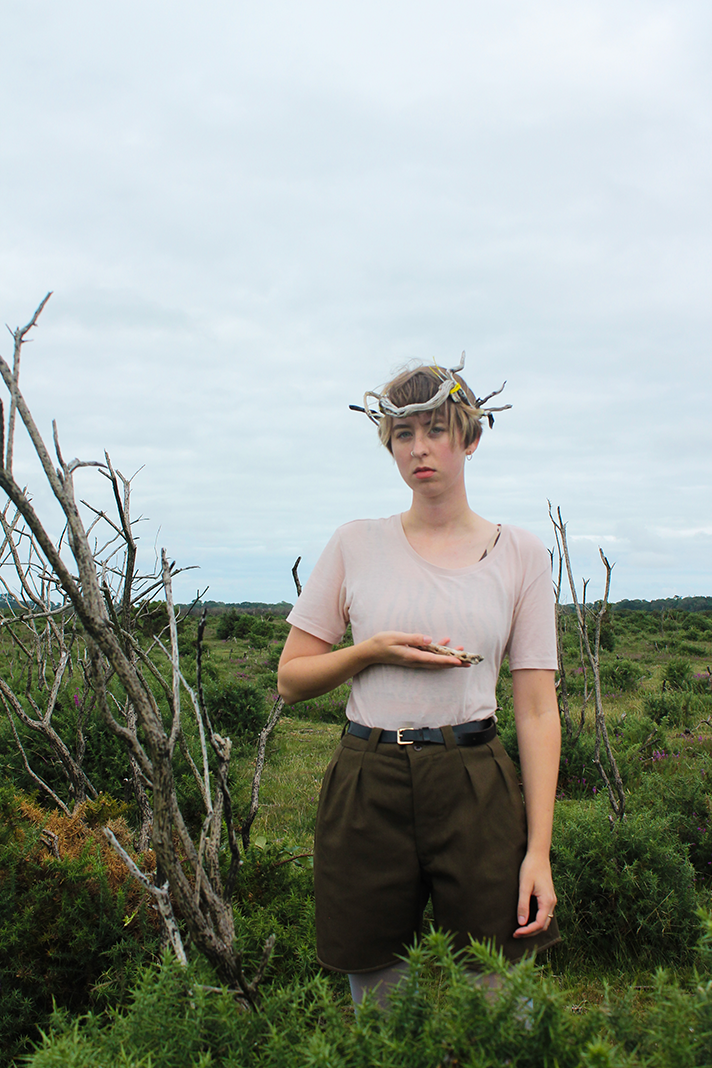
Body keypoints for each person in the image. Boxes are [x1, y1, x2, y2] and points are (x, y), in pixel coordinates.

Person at [277, 354, 560, 1009]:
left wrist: (538, 851)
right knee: (378, 994)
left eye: (435, 429)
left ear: (471, 437)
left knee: (497, 990)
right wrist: (369, 651)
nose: (420, 448)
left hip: (474, 776)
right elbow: (291, 680)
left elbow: (539, 710)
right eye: (403, 434)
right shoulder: (355, 542)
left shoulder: (520, 553)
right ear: (390, 447)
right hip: (367, 775)